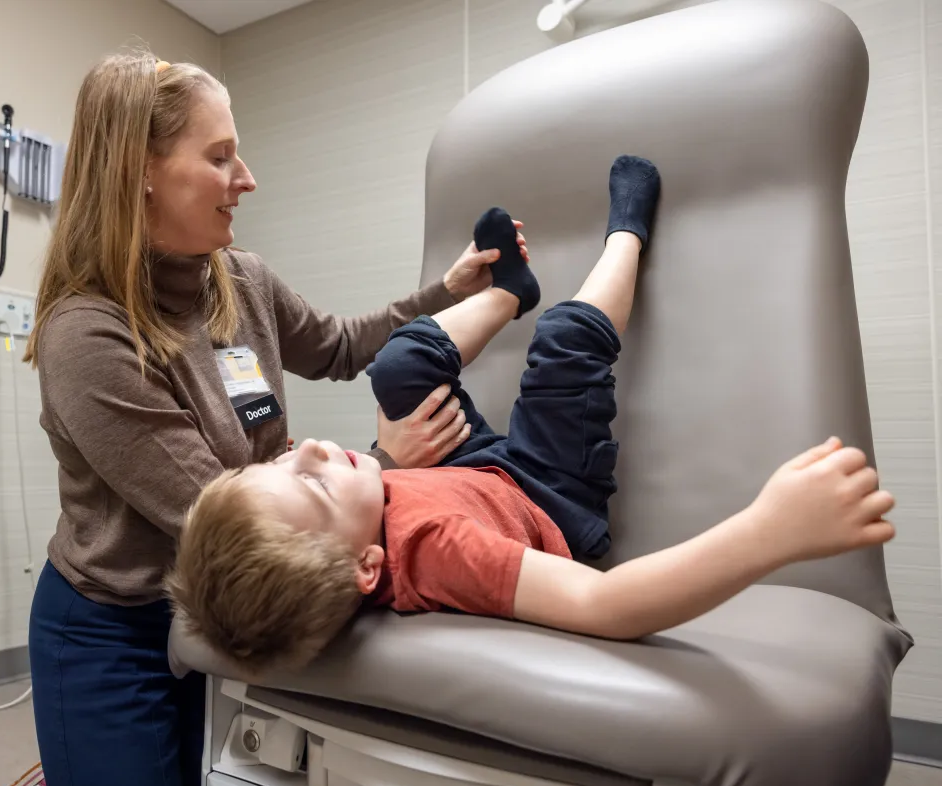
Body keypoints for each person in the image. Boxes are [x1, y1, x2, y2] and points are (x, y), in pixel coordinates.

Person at [21, 51, 531, 786]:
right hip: (112, 627)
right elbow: (217, 509)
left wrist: (446, 291)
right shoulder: (89, 338)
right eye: (221, 156)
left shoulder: (240, 278)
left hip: (219, 607)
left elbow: (341, 345)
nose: (247, 177)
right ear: (143, 171)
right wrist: (380, 464)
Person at [167, 155, 898, 676]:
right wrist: (771, 532)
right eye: (315, 481)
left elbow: (341, 453)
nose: (317, 448)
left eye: (287, 457)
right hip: (544, 493)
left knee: (396, 366)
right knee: (563, 346)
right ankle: (628, 238)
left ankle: (509, 292)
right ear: (368, 568)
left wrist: (372, 471)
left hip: (462, 469)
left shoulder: (347, 534)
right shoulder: (441, 550)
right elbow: (607, 603)